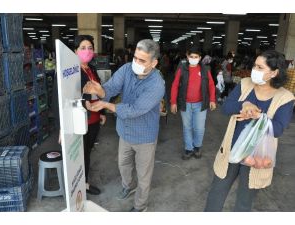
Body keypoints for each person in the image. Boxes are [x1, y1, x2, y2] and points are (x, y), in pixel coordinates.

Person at [205, 50, 295, 212]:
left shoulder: (285, 97)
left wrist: (258, 116)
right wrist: (244, 105)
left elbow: (278, 129)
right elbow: (226, 108)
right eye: (255, 65)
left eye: (260, 67)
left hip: (257, 158)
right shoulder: (245, 84)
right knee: (216, 194)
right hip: (231, 151)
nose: (255, 70)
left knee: (244, 203)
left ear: (274, 72)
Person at [83, 39, 165, 212]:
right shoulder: (127, 69)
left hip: (145, 137)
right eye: (135, 57)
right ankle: (129, 185)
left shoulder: (157, 84)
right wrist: (100, 91)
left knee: (144, 175)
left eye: (142, 60)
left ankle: (140, 206)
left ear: (154, 63)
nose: (136, 63)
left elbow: (135, 110)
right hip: (125, 131)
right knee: (123, 165)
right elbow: (111, 87)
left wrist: (106, 105)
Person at [170, 47, 216, 160]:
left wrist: (212, 100)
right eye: (191, 57)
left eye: (196, 57)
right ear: (187, 57)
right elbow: (175, 85)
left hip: (200, 104)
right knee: (187, 127)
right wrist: (173, 102)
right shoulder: (182, 69)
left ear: (200, 58)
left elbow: (211, 85)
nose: (194, 59)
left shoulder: (205, 70)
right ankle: (188, 148)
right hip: (185, 104)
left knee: (199, 128)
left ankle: (197, 147)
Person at [74, 35, 106, 195]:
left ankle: (84, 182)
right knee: (80, 154)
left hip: (93, 119)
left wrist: (101, 112)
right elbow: (66, 98)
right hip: (81, 120)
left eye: (90, 48)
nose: (87, 51)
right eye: (83, 48)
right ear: (75, 51)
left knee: (87, 151)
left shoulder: (91, 69)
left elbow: (98, 93)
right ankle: (82, 185)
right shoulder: (72, 72)